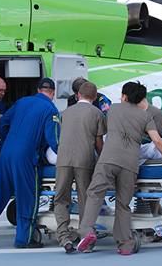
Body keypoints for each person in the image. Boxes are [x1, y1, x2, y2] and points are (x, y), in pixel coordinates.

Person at [76, 81, 162, 255]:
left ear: (125, 96)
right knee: (123, 204)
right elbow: (157, 140)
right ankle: (125, 245)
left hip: (109, 159)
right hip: (130, 164)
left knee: (95, 194)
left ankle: (88, 231)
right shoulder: (146, 116)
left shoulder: (113, 109)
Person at [0, 78, 60, 248]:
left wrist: (10, 141)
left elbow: (4, 123)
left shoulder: (22, 101)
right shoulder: (51, 109)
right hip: (26, 155)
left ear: (37, 90)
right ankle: (24, 239)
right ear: (54, 93)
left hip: (6, 152)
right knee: (27, 196)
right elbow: (53, 140)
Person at [54, 82, 107, 254]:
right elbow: (99, 144)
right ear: (94, 97)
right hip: (84, 161)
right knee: (85, 199)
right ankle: (86, 238)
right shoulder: (97, 114)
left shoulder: (65, 113)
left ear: (78, 95)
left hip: (63, 160)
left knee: (61, 198)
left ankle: (63, 237)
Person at [137, 93, 162, 216]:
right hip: (143, 160)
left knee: (151, 199)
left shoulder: (156, 115)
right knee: (147, 199)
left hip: (153, 162)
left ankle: (156, 226)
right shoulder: (137, 113)